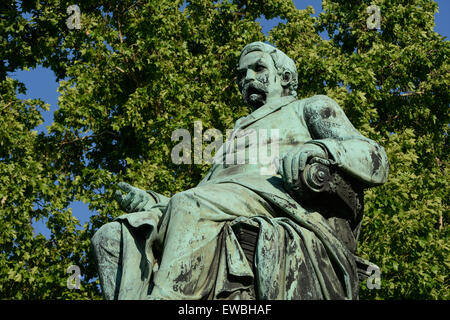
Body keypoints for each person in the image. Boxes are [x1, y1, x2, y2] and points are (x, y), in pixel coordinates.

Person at [91, 41, 388, 300]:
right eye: (241, 74)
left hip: (279, 201)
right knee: (115, 234)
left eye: (258, 69)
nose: (248, 78)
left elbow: (375, 159)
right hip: (218, 203)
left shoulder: (310, 107)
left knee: (189, 204)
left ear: (284, 77)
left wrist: (322, 150)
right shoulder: (234, 135)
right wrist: (155, 203)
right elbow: (200, 196)